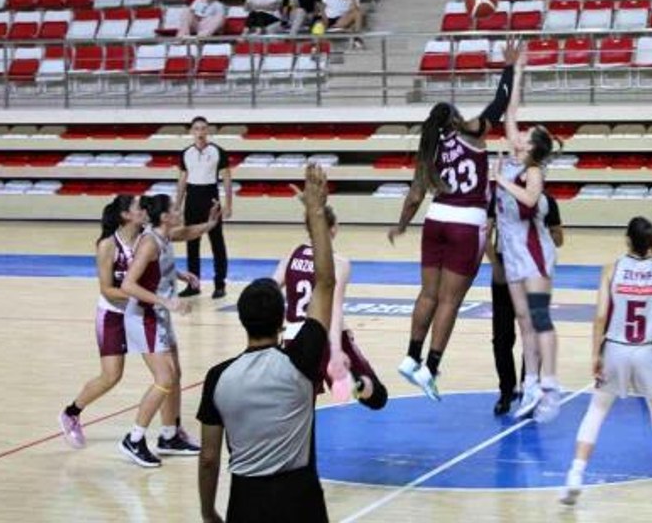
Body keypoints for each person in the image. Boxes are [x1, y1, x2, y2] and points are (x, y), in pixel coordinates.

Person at [197, 164, 335, 523]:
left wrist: (207, 510)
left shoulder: (217, 378)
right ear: (282, 320)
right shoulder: (301, 360)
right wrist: (316, 212)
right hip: (300, 498)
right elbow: (325, 283)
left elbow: (209, 458)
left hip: (246, 500)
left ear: (242, 320)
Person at [388, 42, 521, 400]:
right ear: (455, 118)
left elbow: (416, 195)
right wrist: (509, 68)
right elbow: (500, 104)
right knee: (450, 300)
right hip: (467, 220)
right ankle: (430, 368)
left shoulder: (429, 149)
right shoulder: (471, 132)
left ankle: (410, 355)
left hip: (436, 218)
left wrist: (401, 225)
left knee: (428, 293)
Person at [560, 217, 652, 517]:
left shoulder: (612, 269)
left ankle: (574, 476)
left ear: (627, 239)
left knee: (596, 412)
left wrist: (595, 354)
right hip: (649, 351)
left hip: (616, 350)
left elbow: (598, 318)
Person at [117, 195, 220, 466]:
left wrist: (210, 225)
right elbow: (129, 284)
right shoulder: (150, 242)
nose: (179, 211)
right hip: (144, 317)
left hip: (158, 315)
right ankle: (134, 438)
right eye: (175, 208)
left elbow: (186, 234)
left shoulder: (163, 236)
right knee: (165, 378)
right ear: (164, 217)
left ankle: (169, 435)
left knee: (175, 375)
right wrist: (166, 301)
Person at [492, 55, 563, 422]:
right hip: (512, 251)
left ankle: (545, 384)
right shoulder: (516, 159)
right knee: (521, 320)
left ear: (532, 146)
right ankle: (531, 384)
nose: (517, 134)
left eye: (524, 134)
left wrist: (501, 180)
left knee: (536, 318)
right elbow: (509, 114)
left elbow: (532, 200)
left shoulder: (533, 171)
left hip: (534, 251)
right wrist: (517, 73)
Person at [273, 198, 388, 410]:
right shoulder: (339, 263)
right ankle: (356, 385)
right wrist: (336, 350)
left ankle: (344, 382)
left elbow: (269, 291)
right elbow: (333, 309)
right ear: (333, 229)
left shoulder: (292, 254)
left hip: (293, 338)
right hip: (324, 336)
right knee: (378, 397)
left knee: (303, 410)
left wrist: (275, 331)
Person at [59, 195, 147, 448]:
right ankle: (71, 413)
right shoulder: (108, 245)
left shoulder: (145, 239)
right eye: (138, 207)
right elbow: (107, 289)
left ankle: (169, 431)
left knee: (165, 373)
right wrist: (143, 296)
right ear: (125, 215)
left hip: (139, 314)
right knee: (111, 376)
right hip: (112, 315)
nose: (144, 210)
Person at [487, 191, 563, 416]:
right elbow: (486, 233)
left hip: (531, 265)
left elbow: (559, 238)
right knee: (502, 336)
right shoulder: (499, 198)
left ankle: (528, 388)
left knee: (532, 327)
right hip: (505, 263)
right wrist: (495, 264)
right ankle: (506, 390)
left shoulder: (547, 201)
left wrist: (548, 232)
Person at [177, 116, 233, 299]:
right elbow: (182, 180)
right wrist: (177, 206)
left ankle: (220, 285)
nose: (200, 132)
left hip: (211, 199)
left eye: (203, 129)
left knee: (217, 243)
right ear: (191, 131)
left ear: (207, 131)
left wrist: (228, 204)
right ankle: (193, 285)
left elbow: (226, 179)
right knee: (192, 244)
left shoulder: (218, 152)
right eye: (197, 129)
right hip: (192, 198)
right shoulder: (185, 153)